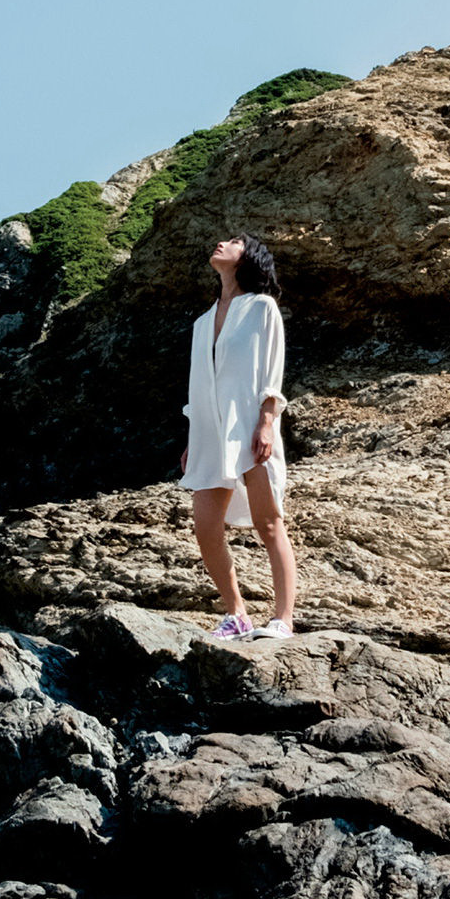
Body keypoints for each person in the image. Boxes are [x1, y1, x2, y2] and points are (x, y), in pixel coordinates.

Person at [178, 233, 298, 640]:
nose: (221, 243)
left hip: (250, 425)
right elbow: (200, 383)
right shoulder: (202, 322)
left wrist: (266, 421)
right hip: (211, 433)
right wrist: (194, 437)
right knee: (205, 527)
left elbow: (272, 370)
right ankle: (237, 614)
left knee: (269, 523)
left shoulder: (262, 307)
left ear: (249, 258)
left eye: (234, 242)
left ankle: (284, 619)